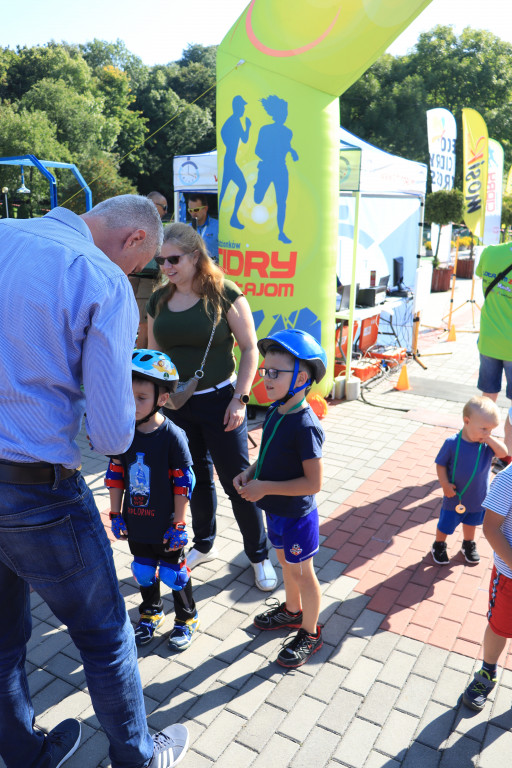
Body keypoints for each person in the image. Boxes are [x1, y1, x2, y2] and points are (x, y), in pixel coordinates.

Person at [0, 195, 189, 768]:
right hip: (36, 488)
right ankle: (137, 758)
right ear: (134, 239)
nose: (133, 275)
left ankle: (22, 752)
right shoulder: (100, 277)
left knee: (5, 639)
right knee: (106, 638)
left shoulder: (5, 231)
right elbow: (111, 435)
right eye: (141, 265)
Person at [147, 222, 277, 592]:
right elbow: (155, 354)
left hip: (222, 402)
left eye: (173, 259)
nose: (166, 267)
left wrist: (240, 398)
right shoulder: (159, 299)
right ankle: (203, 544)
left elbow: (250, 348)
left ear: (194, 256)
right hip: (175, 405)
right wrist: (155, 399)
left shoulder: (224, 293)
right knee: (193, 479)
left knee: (239, 482)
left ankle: (258, 554)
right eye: (161, 260)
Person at [234, 329, 326, 668]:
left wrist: (266, 487)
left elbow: (313, 483)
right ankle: (291, 610)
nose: (265, 378)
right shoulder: (276, 411)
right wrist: (252, 473)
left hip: (297, 516)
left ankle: (310, 631)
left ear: (301, 378)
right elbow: (268, 454)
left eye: (275, 373)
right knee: (287, 566)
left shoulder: (305, 425)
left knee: (303, 572)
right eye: (264, 370)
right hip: (276, 510)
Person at [106, 349, 200, 651]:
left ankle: (187, 618)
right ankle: (151, 613)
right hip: (136, 519)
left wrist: (179, 522)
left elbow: (183, 482)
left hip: (165, 522)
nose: (132, 404)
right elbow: (116, 473)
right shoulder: (125, 431)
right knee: (143, 570)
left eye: (141, 397)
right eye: (128, 395)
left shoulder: (172, 436)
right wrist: (115, 513)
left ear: (162, 398)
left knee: (174, 573)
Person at [432, 396, 507, 566]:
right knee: (446, 524)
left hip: (478, 497)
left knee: (471, 522)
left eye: (491, 430)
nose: (487, 433)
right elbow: (440, 464)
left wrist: (488, 437)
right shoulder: (452, 443)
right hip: (454, 497)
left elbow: (503, 452)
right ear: (467, 421)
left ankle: (468, 544)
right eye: (484, 429)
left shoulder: (486, 445)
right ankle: (439, 544)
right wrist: (444, 484)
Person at [462, 461, 512, 711]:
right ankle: (487, 671)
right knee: (499, 627)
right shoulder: (508, 479)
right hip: (509, 577)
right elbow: (491, 527)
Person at [476, 242, 512, 465]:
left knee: (487, 397)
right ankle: (506, 458)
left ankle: (476, 451)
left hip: (489, 339)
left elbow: (481, 275)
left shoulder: (490, 252)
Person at [130, 191, 169, 348]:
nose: (166, 211)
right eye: (164, 207)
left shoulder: (133, 222)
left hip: (134, 276)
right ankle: (141, 368)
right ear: (154, 205)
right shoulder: (150, 225)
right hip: (146, 278)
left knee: (138, 324)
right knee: (144, 325)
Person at [187, 194, 219, 263]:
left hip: (213, 269)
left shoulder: (218, 226)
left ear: (205, 209)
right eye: (190, 210)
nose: (193, 213)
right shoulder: (186, 229)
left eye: (196, 210)